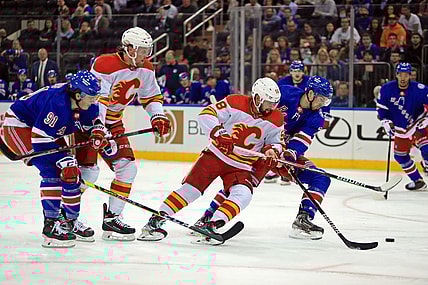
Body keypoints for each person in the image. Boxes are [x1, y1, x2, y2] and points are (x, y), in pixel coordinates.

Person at [137, 77, 285, 244]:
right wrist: (218, 132)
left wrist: (273, 151)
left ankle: (211, 225)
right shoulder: (235, 101)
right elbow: (206, 114)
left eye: (275, 103)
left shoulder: (276, 118)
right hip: (216, 155)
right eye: (269, 103)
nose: (273, 107)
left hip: (242, 164)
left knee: (244, 194)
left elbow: (276, 141)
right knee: (191, 190)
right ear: (258, 98)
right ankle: (155, 222)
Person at [190, 76, 334, 241]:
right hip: (256, 151)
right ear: (310, 93)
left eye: (325, 101)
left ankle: (303, 219)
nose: (322, 104)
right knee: (241, 185)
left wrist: (289, 155)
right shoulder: (285, 92)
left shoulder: (317, 118)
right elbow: (256, 110)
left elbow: (302, 140)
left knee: (320, 178)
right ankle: (207, 218)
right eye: (321, 99)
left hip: (280, 153)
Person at [74, 27, 171, 241]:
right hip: (87, 122)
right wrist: (98, 126)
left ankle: (112, 220)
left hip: (114, 123)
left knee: (127, 168)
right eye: (143, 49)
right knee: (87, 172)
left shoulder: (146, 67)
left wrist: (158, 116)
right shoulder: (104, 64)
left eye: (148, 49)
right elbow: (97, 99)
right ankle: (66, 218)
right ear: (129, 48)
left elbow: (151, 95)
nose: (148, 54)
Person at [0, 70, 102, 248]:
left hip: (43, 129)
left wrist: (98, 131)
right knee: (52, 170)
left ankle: (69, 221)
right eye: (91, 96)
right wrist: (61, 160)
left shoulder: (84, 102)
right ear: (78, 95)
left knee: (71, 171)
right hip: (19, 126)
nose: (95, 100)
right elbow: (40, 140)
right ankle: (51, 226)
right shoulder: (58, 104)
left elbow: (91, 122)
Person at [376, 62, 428, 191]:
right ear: (396, 75)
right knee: (400, 156)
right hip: (400, 128)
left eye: (406, 75)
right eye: (401, 75)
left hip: (419, 124)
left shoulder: (421, 89)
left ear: (410, 76)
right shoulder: (387, 88)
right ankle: (417, 181)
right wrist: (385, 121)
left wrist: (426, 120)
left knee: (426, 150)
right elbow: (382, 109)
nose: (403, 78)